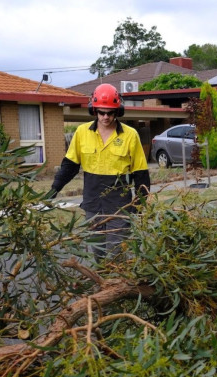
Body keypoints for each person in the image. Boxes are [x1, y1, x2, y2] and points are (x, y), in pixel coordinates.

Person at [51, 83, 150, 259]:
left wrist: (139, 205)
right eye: (101, 112)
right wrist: (54, 189)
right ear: (93, 110)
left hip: (120, 206)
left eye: (110, 113)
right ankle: (103, 284)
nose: (105, 117)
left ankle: (120, 285)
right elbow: (70, 165)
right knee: (98, 252)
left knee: (116, 252)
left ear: (117, 111)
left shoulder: (130, 135)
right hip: (93, 204)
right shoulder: (82, 132)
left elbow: (141, 173)